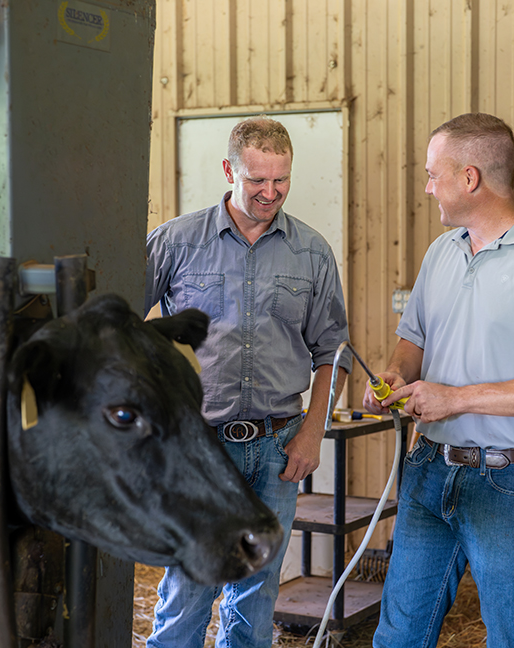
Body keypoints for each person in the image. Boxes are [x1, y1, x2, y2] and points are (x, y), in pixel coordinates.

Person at [363, 112, 514, 648]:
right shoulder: (442, 251)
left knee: (509, 637)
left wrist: (454, 399)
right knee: (398, 632)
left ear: (471, 178)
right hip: (429, 469)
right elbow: (414, 341)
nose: (428, 185)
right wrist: (395, 375)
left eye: (435, 173)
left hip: (511, 483)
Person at [144, 116, 352, 648]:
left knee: (257, 593)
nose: (270, 192)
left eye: (281, 179)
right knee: (190, 586)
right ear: (228, 170)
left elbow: (334, 351)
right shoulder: (174, 242)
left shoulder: (311, 251)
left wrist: (312, 433)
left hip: (279, 449)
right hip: (199, 449)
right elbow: (118, 328)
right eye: (257, 179)